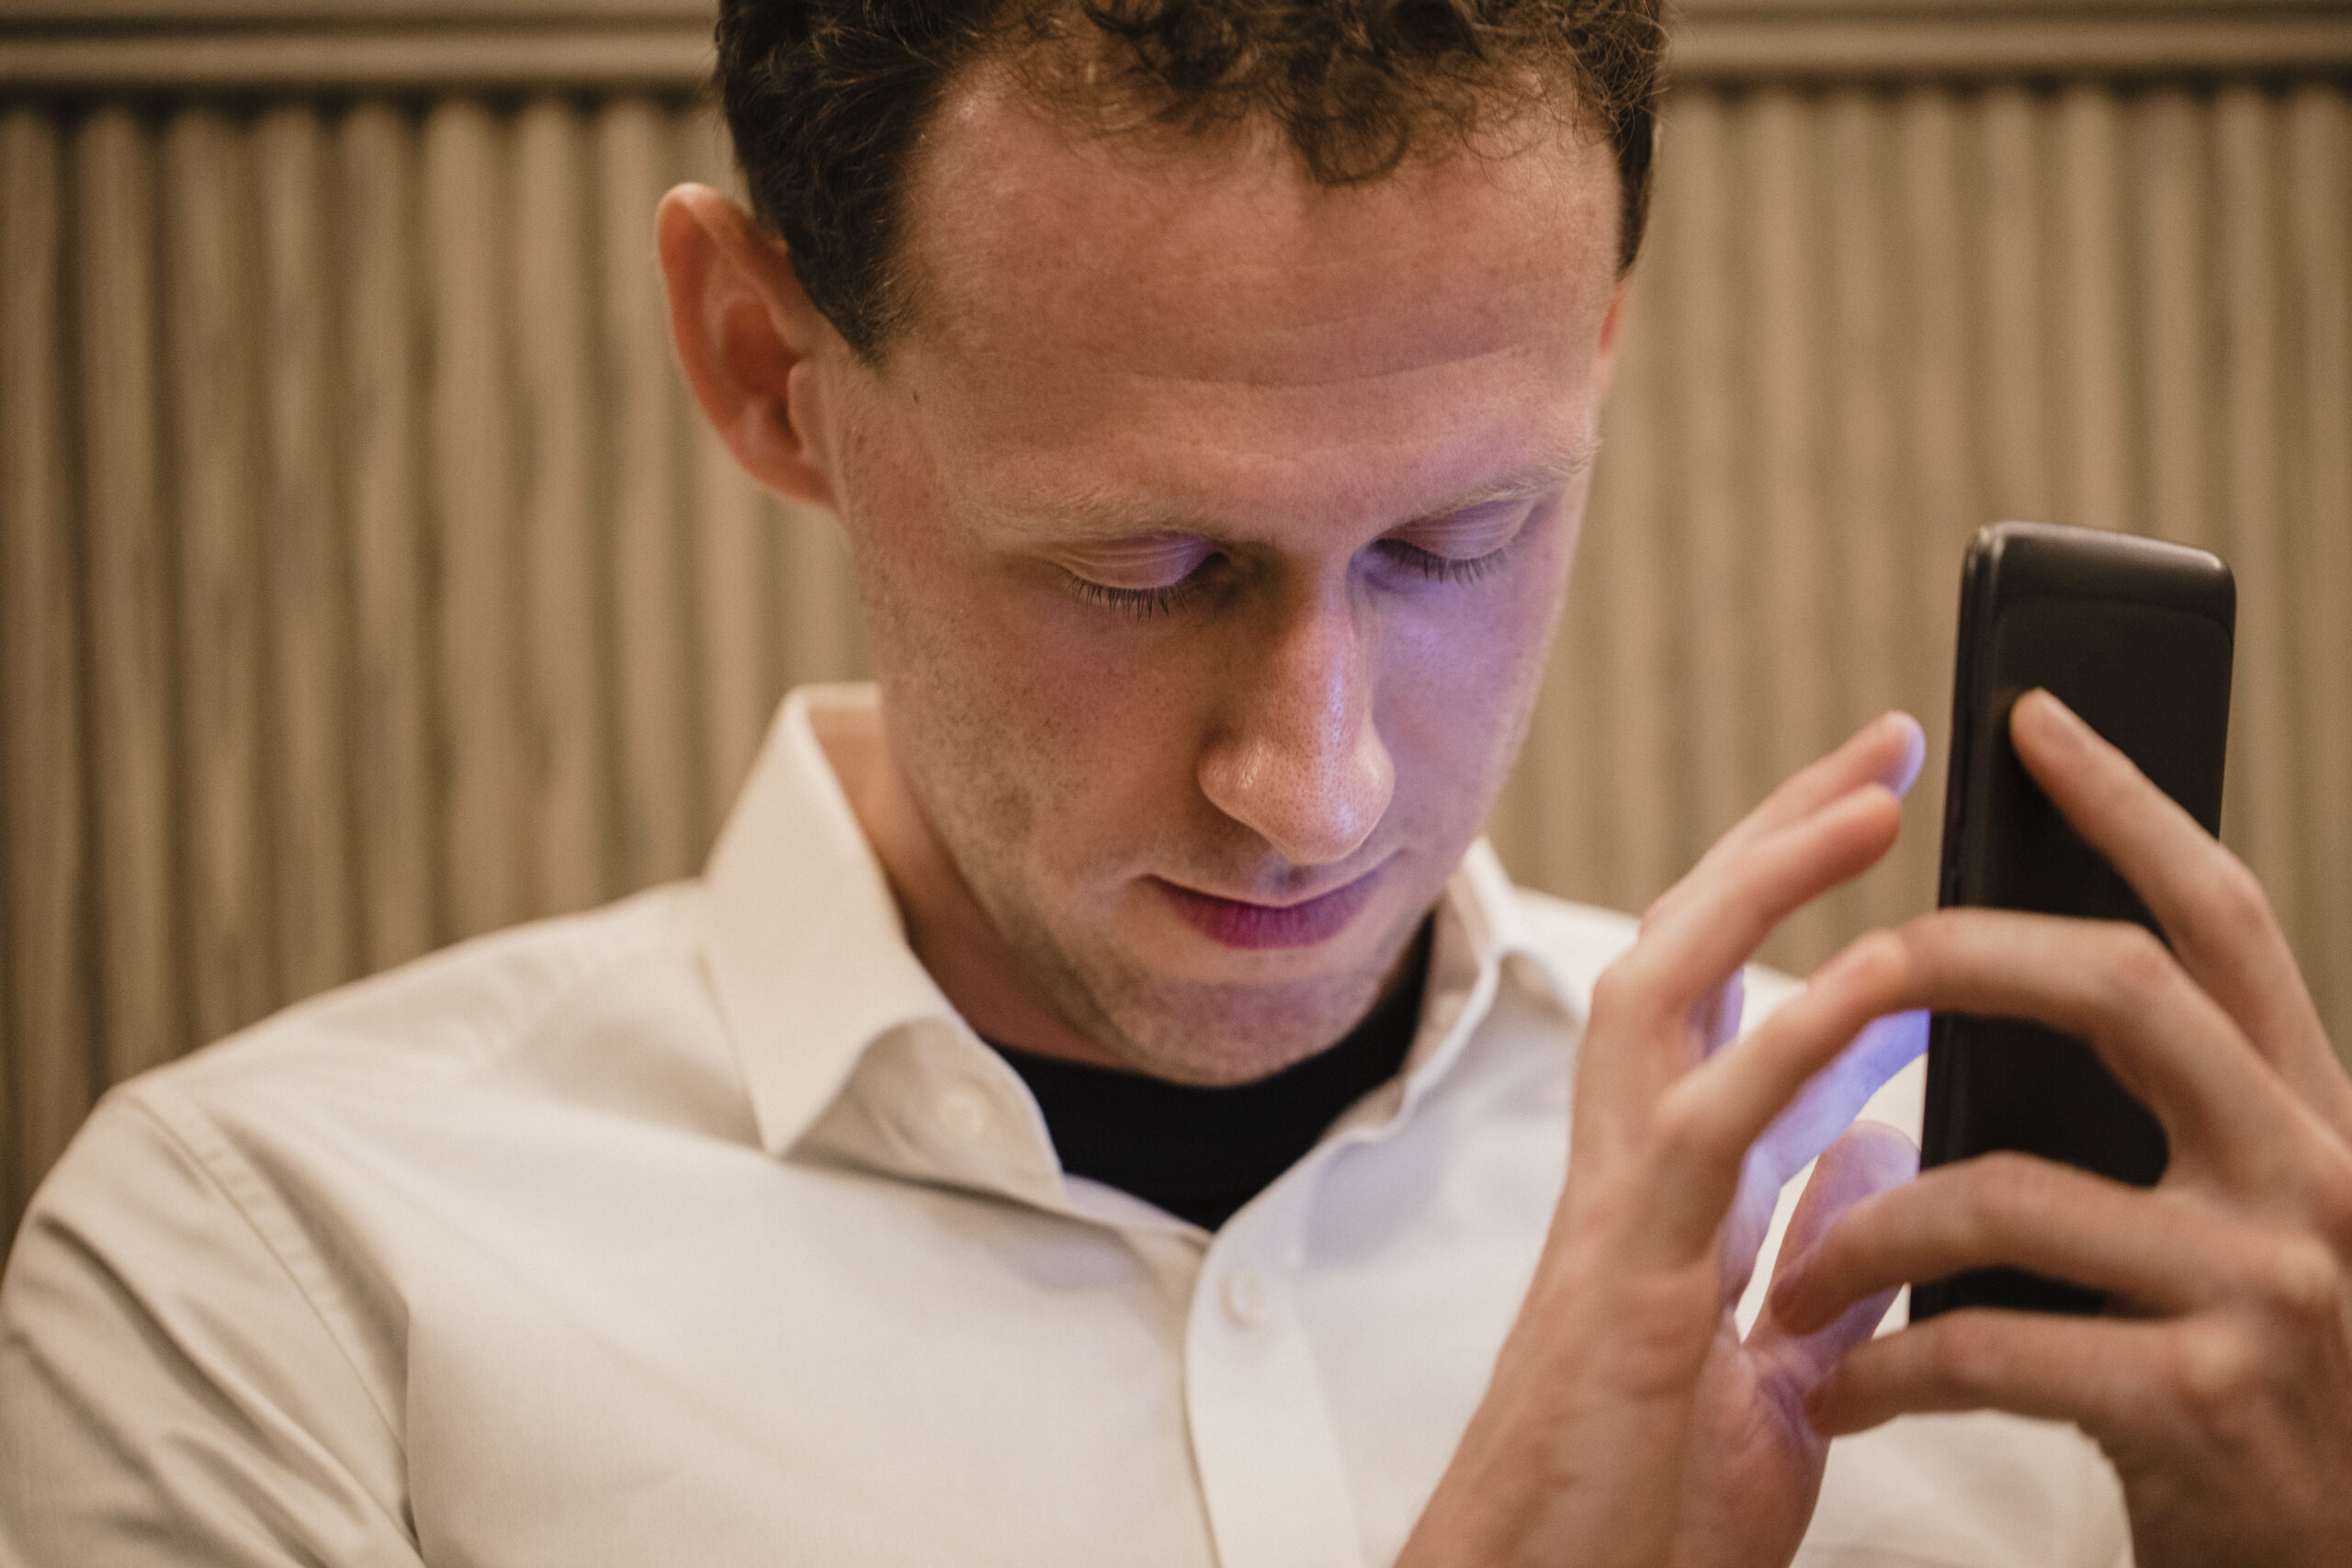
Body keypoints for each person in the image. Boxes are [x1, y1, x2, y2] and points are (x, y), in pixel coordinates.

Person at [3, 2, 2346, 1563]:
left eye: (1458, 536)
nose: (1309, 783)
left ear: (1594, 346)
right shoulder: (267, 1286)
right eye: (1141, 567)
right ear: (762, 363)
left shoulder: (1992, 1275)